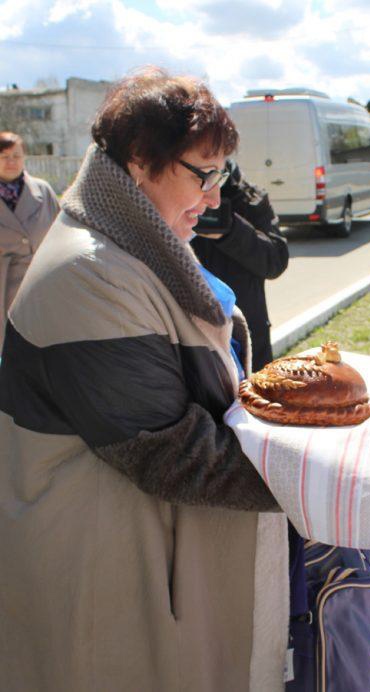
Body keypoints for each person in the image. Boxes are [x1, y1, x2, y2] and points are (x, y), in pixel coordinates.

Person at [0, 68, 290, 691]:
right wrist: (318, 474)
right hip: (98, 564)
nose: (214, 198)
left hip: (137, 551)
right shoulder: (90, 272)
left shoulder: (128, 240)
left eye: (221, 177)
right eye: (203, 175)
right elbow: (170, 453)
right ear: (139, 159)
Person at [192, 160, 289, 370]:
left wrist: (231, 231)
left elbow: (276, 261)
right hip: (195, 335)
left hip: (249, 333)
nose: (212, 201)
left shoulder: (251, 199)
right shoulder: (181, 192)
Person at [0, 131, 59, 351]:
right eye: (4, 156)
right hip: (3, 283)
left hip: (40, 281)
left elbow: (60, 233)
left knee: (43, 345)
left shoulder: (43, 190)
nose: (11, 162)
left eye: (16, 156)